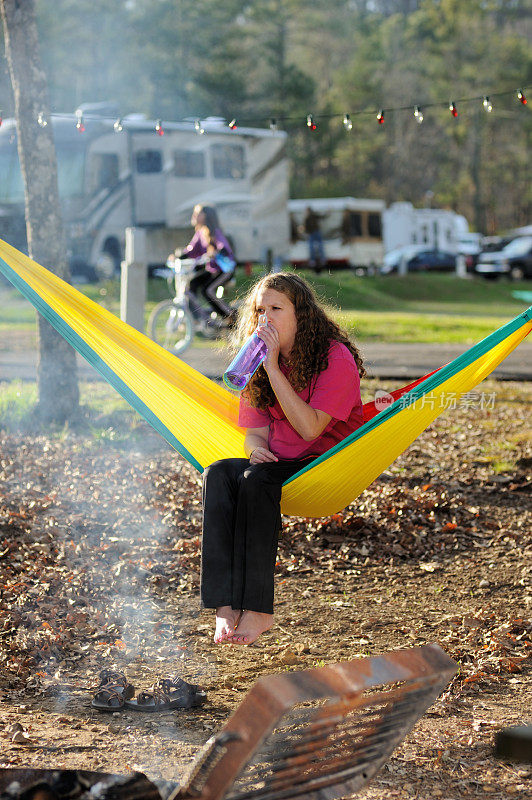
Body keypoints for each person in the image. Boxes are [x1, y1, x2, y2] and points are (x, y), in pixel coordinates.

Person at [201, 273, 365, 646]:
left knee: (255, 482)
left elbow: (310, 429)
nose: (265, 318)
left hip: (323, 460)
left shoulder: (333, 357)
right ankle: (224, 606)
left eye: (276, 308)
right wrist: (253, 449)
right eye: (260, 309)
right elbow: (255, 430)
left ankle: (258, 610)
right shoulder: (253, 357)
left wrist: (274, 368)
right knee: (219, 474)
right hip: (277, 460)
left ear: (300, 314)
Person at [171, 204, 236, 322]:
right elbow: (191, 251)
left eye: (197, 213)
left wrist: (216, 252)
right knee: (191, 286)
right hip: (212, 269)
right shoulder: (200, 233)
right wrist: (177, 257)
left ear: (205, 216)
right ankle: (199, 317)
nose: (194, 216)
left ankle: (231, 316)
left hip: (224, 270)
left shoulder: (215, 232)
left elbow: (224, 247)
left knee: (208, 291)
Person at [303, 206, 326, 271]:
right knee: (316, 246)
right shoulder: (310, 217)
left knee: (315, 246)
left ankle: (315, 260)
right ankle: (320, 259)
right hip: (313, 232)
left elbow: (322, 217)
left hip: (314, 232)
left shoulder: (310, 217)